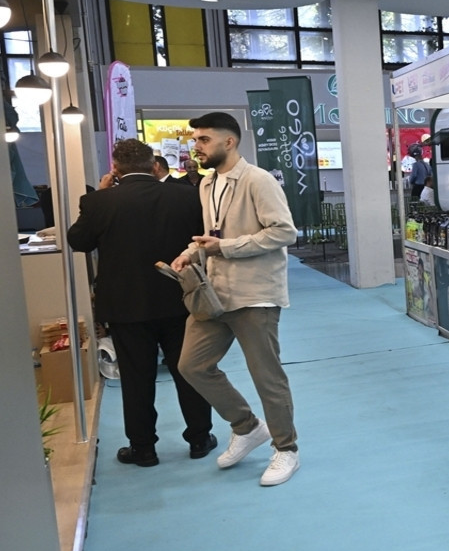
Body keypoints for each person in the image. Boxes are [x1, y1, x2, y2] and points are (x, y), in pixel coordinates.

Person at [170, 112, 301, 486]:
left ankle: (286, 449)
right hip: (213, 294)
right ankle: (246, 426)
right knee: (192, 365)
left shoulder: (258, 180)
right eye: (196, 140)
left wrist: (225, 247)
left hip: (255, 294)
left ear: (229, 142)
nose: (197, 147)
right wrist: (190, 253)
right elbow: (213, 234)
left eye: (204, 139)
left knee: (267, 376)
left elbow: (284, 232)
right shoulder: (207, 184)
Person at [66, 139, 215, 467]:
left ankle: (143, 448)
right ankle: (200, 438)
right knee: (189, 371)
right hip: (181, 299)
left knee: (136, 379)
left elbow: (78, 241)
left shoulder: (99, 201)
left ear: (115, 168)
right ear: (154, 166)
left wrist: (100, 193)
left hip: (126, 306)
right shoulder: (187, 196)